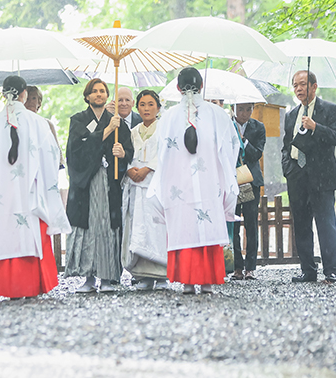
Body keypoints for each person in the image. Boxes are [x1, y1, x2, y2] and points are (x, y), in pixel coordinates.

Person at [0, 76, 71, 299]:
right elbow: (52, 158)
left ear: (3, 93)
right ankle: (31, 285)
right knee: (30, 230)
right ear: (24, 94)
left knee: (6, 231)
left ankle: (10, 286)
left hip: (2, 195)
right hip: (30, 192)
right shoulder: (37, 123)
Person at [148, 67, 240, 294]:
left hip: (178, 187)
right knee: (206, 225)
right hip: (210, 185)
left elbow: (159, 152)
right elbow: (232, 148)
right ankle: (207, 280)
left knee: (184, 226)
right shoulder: (218, 115)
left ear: (178, 88)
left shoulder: (167, 118)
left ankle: (188, 281)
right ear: (201, 86)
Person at [65, 78, 134, 293]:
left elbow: (129, 151)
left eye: (102, 91)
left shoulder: (117, 122)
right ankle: (87, 278)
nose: (99, 94)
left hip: (108, 182)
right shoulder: (78, 120)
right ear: (87, 97)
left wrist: (122, 154)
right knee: (87, 228)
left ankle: (107, 277)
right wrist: (105, 131)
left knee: (106, 227)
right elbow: (76, 151)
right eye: (94, 91)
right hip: (86, 183)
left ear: (106, 96)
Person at [281, 70, 336, 284]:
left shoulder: (330, 109)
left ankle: (331, 271)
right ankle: (308, 270)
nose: (298, 89)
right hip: (297, 177)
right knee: (301, 224)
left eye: (303, 84)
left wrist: (315, 127)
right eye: (295, 85)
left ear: (314, 86)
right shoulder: (290, 115)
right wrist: (287, 169)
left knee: (326, 225)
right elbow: (286, 145)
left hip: (322, 177)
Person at [121, 89, 169, 291]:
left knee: (156, 227)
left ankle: (162, 274)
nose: (146, 108)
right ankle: (142, 275)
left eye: (151, 104)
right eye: (142, 104)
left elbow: (168, 153)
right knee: (137, 226)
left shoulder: (164, 129)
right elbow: (126, 154)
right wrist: (129, 169)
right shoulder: (132, 132)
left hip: (155, 185)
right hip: (136, 185)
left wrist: (149, 167)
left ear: (158, 107)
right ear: (137, 107)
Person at [231, 102, 266, 281]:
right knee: (233, 225)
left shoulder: (258, 127)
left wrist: (243, 140)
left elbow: (256, 154)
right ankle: (237, 266)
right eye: (240, 109)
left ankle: (250, 267)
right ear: (233, 108)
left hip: (251, 181)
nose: (244, 113)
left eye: (248, 109)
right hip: (232, 182)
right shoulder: (226, 125)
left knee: (251, 224)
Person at [24, 85, 63, 169]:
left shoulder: (47, 124)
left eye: (34, 98)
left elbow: (56, 149)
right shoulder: (18, 123)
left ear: (39, 102)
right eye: (27, 98)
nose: (30, 101)